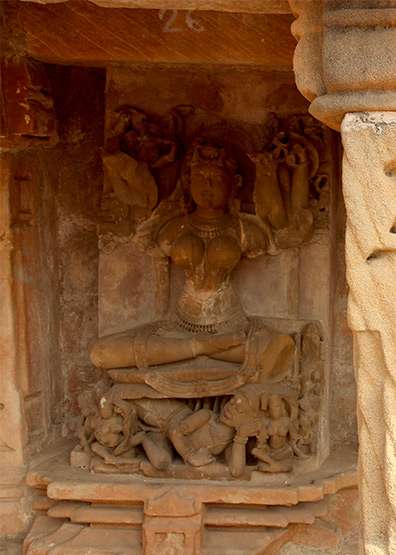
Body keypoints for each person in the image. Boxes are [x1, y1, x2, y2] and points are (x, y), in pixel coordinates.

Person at [89, 137, 302, 386]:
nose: (207, 184)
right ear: (188, 182)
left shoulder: (245, 228)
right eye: (200, 177)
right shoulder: (169, 228)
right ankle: (200, 349)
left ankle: (199, 352)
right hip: (177, 328)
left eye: (217, 178)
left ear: (236, 184)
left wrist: (272, 174)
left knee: (280, 348)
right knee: (100, 353)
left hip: (231, 326)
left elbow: (283, 230)